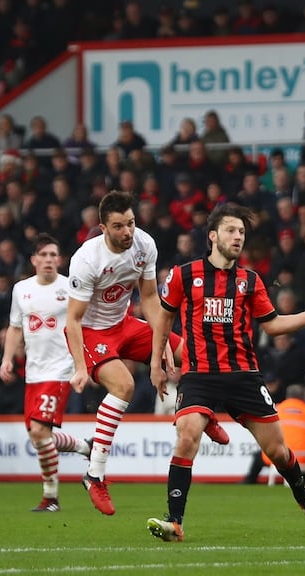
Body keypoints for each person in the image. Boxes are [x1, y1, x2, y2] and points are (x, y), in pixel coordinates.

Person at [146, 204, 305, 542]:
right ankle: (175, 522)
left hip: (243, 376)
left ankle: (303, 497)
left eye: (241, 233)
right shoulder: (183, 275)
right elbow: (163, 318)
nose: (237, 237)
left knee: (278, 451)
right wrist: (156, 364)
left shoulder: (250, 281)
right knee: (187, 433)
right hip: (199, 375)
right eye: (231, 231)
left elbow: (274, 325)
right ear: (212, 236)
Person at [66, 190, 229, 516]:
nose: (127, 231)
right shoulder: (86, 260)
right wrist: (81, 367)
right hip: (91, 332)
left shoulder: (144, 245)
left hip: (125, 324)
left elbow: (151, 299)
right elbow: (73, 318)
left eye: (131, 223)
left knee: (193, 353)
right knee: (124, 385)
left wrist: (164, 343)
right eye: (118, 226)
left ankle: (202, 408)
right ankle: (95, 474)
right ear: (102, 227)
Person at [0, 234, 92, 512]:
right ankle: (83, 446)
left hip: (61, 370)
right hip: (33, 372)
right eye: (44, 255)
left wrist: (81, 366)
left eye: (54, 255)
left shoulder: (71, 287)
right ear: (34, 260)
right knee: (38, 436)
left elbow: (84, 325)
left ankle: (51, 497)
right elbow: (15, 327)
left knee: (40, 432)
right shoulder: (21, 290)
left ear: (59, 260)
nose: (49, 259)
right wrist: (6, 359)